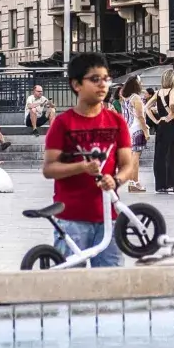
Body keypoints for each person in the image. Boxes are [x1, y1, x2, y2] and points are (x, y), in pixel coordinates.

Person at [43, 52, 137, 266]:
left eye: (106, 79)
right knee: (70, 282)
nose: (102, 85)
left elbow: (126, 165)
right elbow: (49, 169)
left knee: (111, 282)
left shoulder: (117, 122)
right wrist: (81, 167)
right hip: (71, 219)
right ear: (76, 84)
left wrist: (117, 180)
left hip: (108, 218)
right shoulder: (63, 123)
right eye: (95, 79)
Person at [149, 70, 174, 194]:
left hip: (161, 126)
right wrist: (172, 114)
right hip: (171, 125)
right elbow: (171, 103)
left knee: (160, 155)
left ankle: (161, 185)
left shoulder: (158, 92)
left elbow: (146, 107)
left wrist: (156, 120)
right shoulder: (173, 91)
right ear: (173, 80)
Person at [120, 78, 148, 193]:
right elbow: (141, 116)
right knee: (136, 157)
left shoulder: (125, 98)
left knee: (132, 156)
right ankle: (135, 182)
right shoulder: (136, 98)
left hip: (128, 128)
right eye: (140, 82)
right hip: (137, 129)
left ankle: (132, 182)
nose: (141, 83)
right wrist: (146, 130)